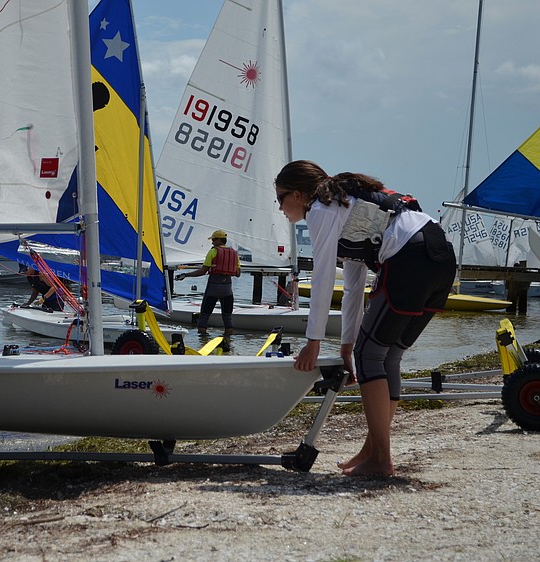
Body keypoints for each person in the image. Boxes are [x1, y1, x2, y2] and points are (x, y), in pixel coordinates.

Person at [274, 160, 456, 476]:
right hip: (440, 256)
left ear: (300, 194)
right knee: (388, 356)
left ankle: (381, 461)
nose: (279, 207)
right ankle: (373, 450)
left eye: (281, 197)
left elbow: (322, 278)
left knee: (371, 355)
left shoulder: (320, 209)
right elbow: (354, 282)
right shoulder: (347, 204)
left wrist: (312, 343)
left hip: (409, 256)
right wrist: (347, 345)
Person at [175, 229, 241, 336]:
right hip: (227, 291)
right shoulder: (234, 253)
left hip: (213, 290)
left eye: (214, 239)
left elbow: (202, 271)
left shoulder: (213, 251)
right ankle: (228, 342)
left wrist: (186, 275)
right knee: (227, 318)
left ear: (219, 240)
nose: (212, 242)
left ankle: (203, 340)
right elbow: (238, 273)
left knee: (204, 317)